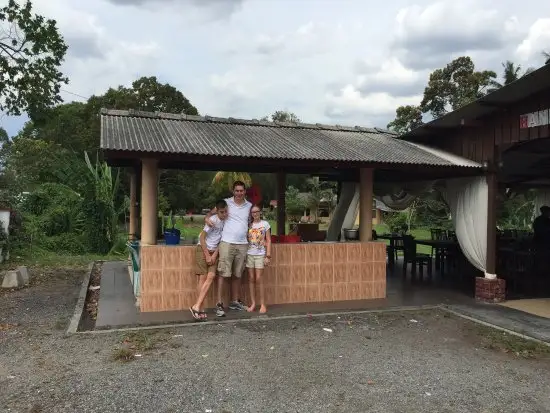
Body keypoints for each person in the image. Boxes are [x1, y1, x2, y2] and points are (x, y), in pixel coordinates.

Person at [205, 181, 252, 316]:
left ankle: (234, 301)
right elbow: (212, 213)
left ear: (245, 191)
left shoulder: (248, 205)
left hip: (242, 244)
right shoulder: (226, 203)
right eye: (236, 191)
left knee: (237, 274)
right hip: (227, 243)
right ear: (233, 191)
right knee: (223, 274)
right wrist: (207, 218)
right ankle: (219, 303)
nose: (239, 193)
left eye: (241, 191)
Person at [190, 199, 228, 321]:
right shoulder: (212, 221)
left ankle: (195, 306)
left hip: (214, 252)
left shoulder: (227, 222)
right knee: (203, 278)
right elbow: (202, 238)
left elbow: (221, 241)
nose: (224, 214)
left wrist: (214, 255)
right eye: (222, 212)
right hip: (203, 249)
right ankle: (199, 308)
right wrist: (207, 255)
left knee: (211, 277)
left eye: (226, 212)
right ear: (217, 211)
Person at [246, 205, 272, 313]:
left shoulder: (265, 224)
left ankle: (262, 304)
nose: (255, 214)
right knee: (251, 278)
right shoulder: (249, 225)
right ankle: (253, 303)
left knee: (259, 278)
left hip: (260, 254)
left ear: (260, 212)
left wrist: (268, 255)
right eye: (253, 212)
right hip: (249, 254)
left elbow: (269, 240)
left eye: (256, 212)